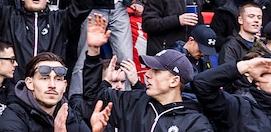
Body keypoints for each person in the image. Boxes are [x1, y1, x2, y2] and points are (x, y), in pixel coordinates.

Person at [82, 13, 214, 131]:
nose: (147, 74)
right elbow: (92, 96)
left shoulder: (195, 123)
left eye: (156, 71)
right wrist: (94, 51)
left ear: (174, 81)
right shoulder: (132, 101)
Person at [192, 55, 271, 132]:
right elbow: (201, 84)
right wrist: (245, 66)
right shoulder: (236, 105)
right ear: (256, 80)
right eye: (270, 72)